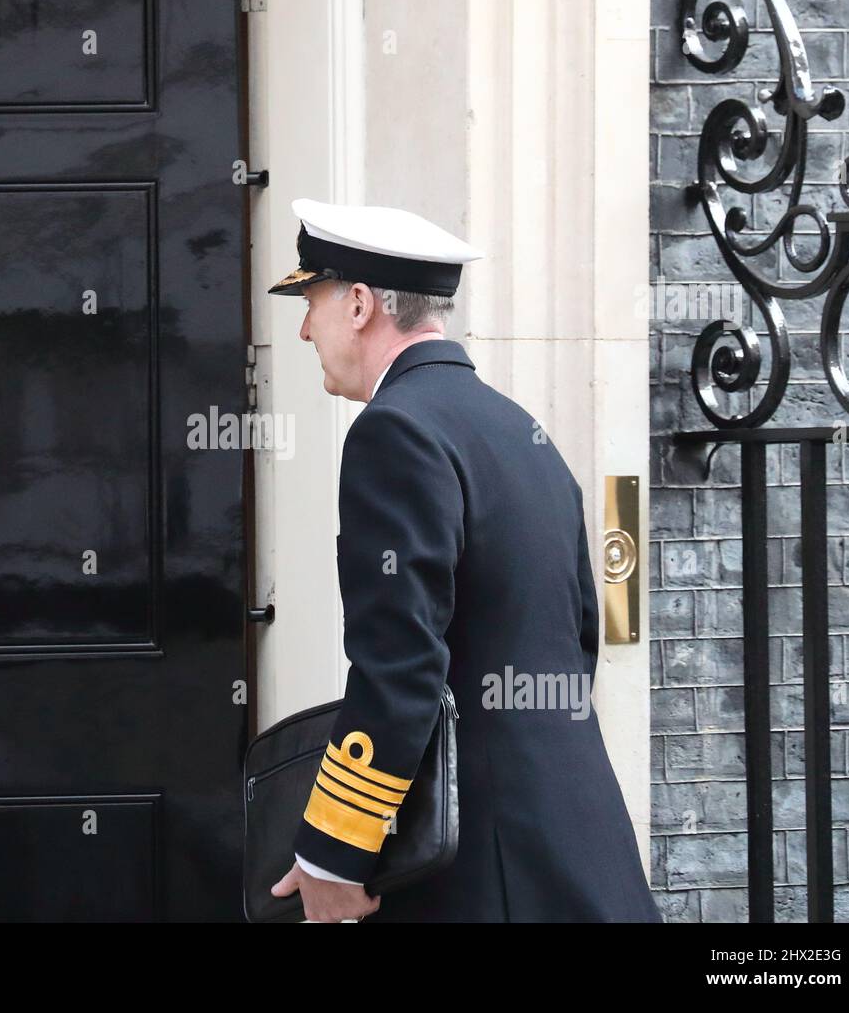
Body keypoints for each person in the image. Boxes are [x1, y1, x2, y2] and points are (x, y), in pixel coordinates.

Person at [265, 199, 662, 923]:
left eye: (311, 300)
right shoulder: (519, 428)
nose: (302, 327)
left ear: (359, 304)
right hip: (577, 846)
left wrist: (332, 851)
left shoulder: (394, 431)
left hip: (483, 870)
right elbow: (577, 641)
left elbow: (401, 664)